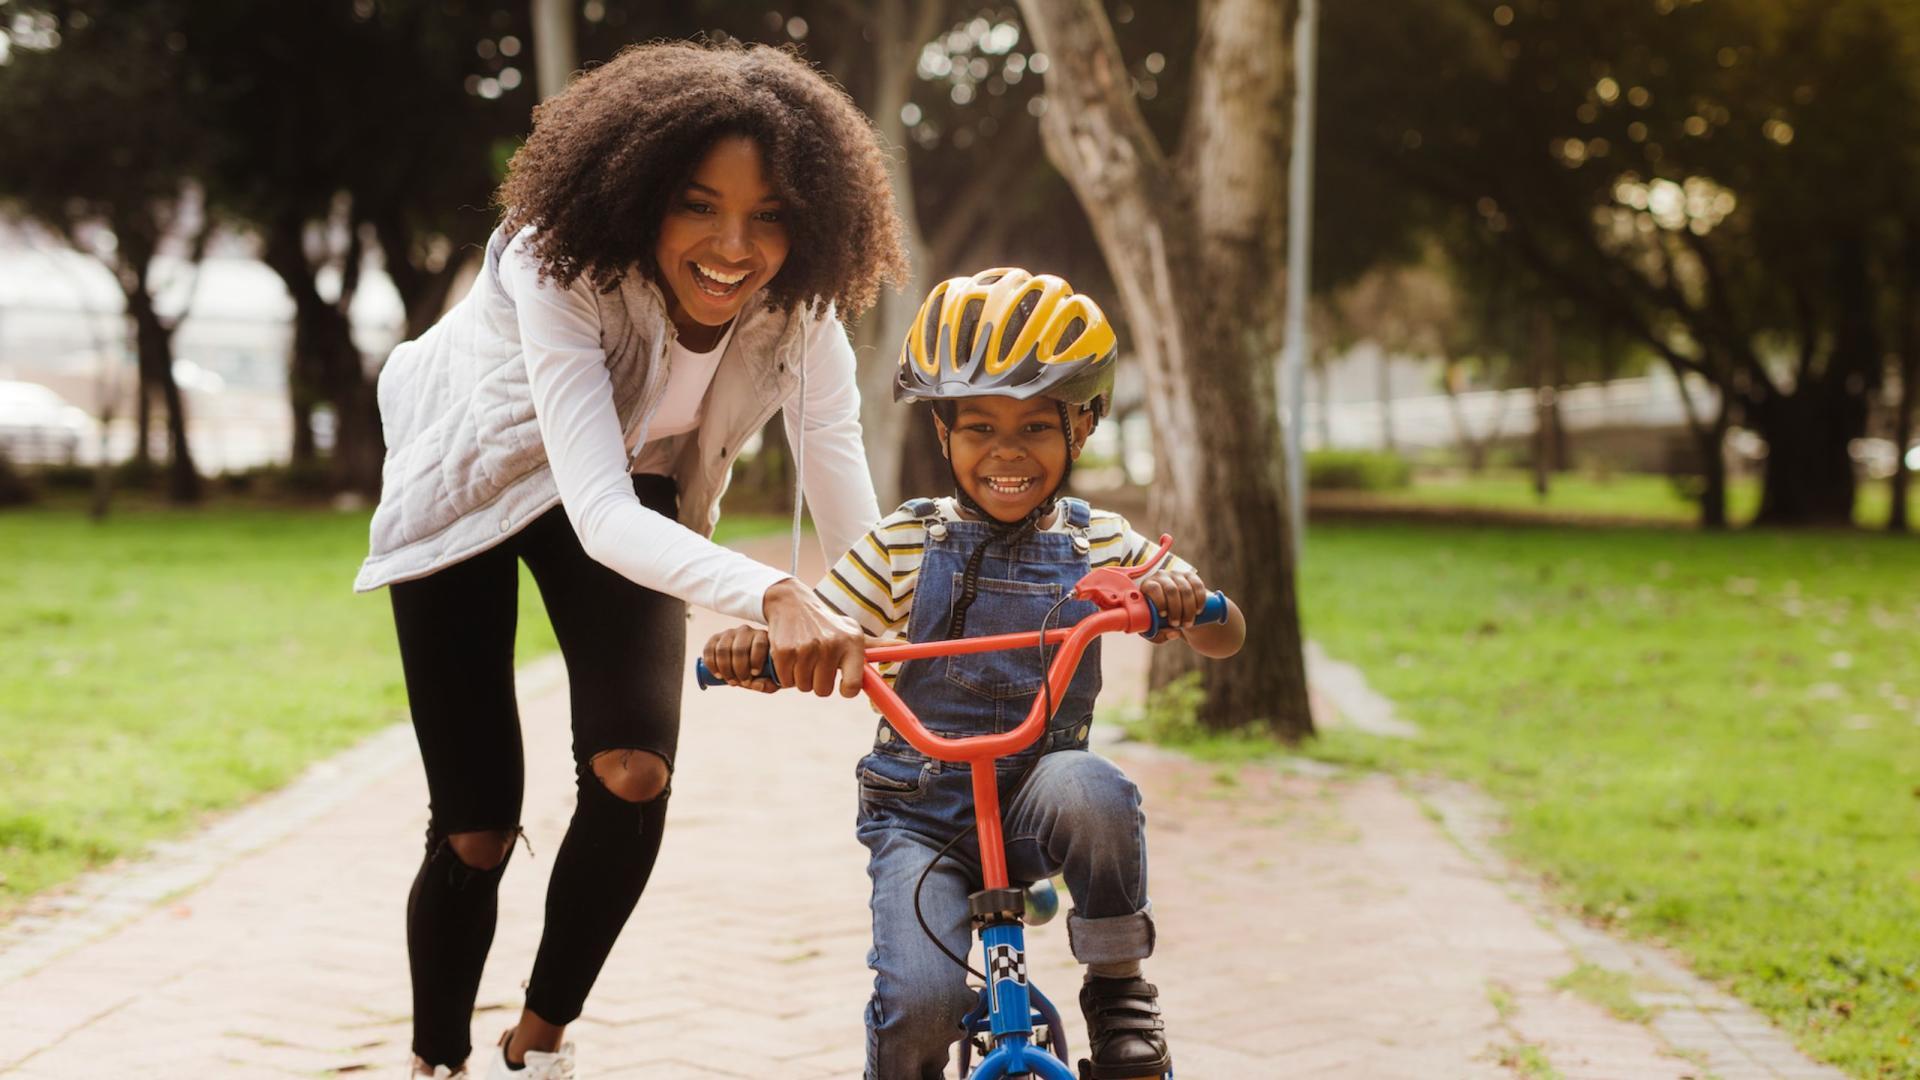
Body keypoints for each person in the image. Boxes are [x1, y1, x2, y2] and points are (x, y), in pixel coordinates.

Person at [353, 41, 907, 1080]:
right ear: (640, 192)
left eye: (771, 215)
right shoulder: (552, 259)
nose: (733, 246)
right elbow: (596, 509)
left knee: (634, 769)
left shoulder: (805, 313)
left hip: (630, 480)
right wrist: (776, 591)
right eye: (697, 205)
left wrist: (897, 610)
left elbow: (839, 483)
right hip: (469, 483)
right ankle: (437, 1060)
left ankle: (539, 1039)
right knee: (476, 825)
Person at [702, 268, 1247, 1080]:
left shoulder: (1101, 542)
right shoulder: (904, 542)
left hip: (1038, 802)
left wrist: (1183, 600)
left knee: (1095, 790)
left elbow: (1226, 634)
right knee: (919, 1004)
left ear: (1084, 426)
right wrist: (760, 649)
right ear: (943, 432)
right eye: (980, 426)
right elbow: (821, 623)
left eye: (1035, 426)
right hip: (921, 818)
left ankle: (1120, 992)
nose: (1006, 452)